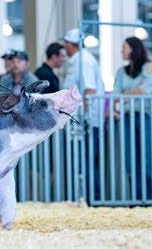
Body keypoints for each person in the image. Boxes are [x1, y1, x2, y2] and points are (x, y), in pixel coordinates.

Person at [113, 36, 152, 199]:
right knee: (130, 162)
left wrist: (126, 94)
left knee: (149, 160)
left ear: (134, 49)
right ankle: (137, 200)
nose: (122, 50)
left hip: (147, 118)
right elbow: (115, 95)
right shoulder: (121, 71)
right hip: (127, 119)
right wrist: (131, 94)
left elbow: (145, 90)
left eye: (124, 47)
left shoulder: (149, 66)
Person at [61, 28, 104, 199]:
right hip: (79, 121)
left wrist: (86, 118)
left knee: (84, 161)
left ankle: (90, 198)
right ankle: (85, 197)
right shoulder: (78, 60)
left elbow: (89, 90)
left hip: (85, 122)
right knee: (81, 161)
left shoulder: (83, 60)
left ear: (70, 44)